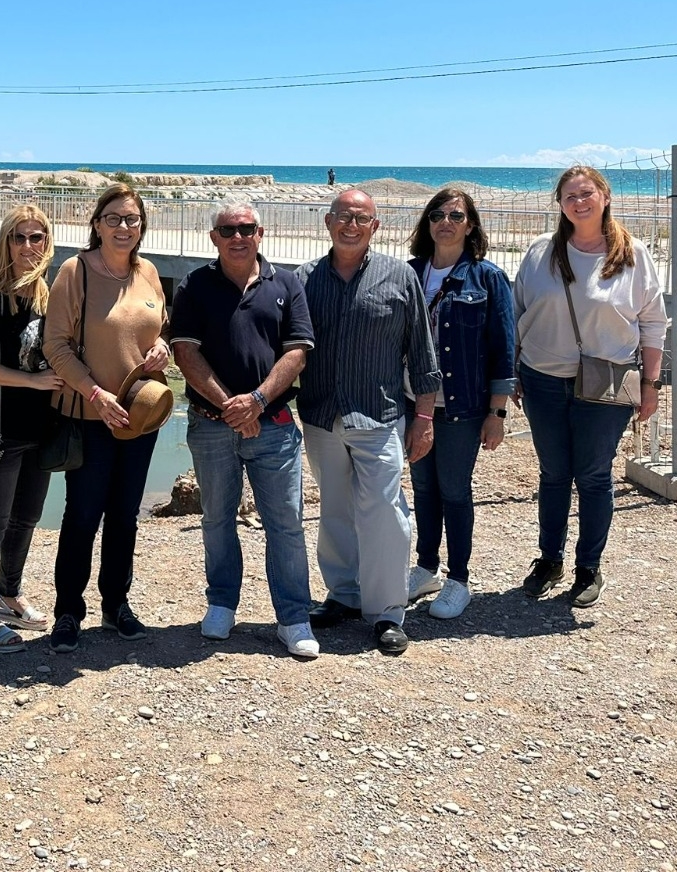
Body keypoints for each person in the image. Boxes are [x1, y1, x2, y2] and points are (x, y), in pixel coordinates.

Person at [170, 202, 318, 659]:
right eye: (228, 229)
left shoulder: (287, 282)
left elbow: (297, 350)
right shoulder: (195, 285)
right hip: (211, 426)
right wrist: (229, 405)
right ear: (213, 237)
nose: (238, 236)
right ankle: (221, 604)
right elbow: (185, 353)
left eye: (246, 228)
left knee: (287, 525)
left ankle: (293, 618)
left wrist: (255, 401)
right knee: (216, 519)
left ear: (261, 233)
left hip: (273, 426)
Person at [513, 166, 666, 607]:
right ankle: (549, 559)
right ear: (559, 203)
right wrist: (513, 372)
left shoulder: (632, 253)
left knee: (594, 475)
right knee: (554, 474)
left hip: (606, 384)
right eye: (569, 195)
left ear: (605, 195)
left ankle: (588, 567)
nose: (578, 202)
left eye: (586, 193)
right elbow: (518, 311)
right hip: (542, 379)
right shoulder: (541, 251)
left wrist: (651, 385)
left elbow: (653, 323)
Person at [297, 190, 440, 656]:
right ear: (327, 222)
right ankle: (344, 594)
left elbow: (422, 353)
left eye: (361, 218)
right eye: (343, 217)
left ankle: (387, 613)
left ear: (375, 226)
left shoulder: (399, 276)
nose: (351, 225)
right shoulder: (304, 279)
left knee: (383, 512)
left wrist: (423, 416)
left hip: (378, 416)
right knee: (335, 510)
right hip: (321, 416)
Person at [43, 184, 172, 653]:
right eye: (114, 218)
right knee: (82, 516)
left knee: (125, 516)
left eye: (132, 220)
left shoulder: (149, 272)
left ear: (142, 227)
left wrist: (161, 347)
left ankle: (116, 603)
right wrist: (95, 393)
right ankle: (67, 612)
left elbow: (160, 322)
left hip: (139, 414)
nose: (124, 227)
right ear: (96, 224)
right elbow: (54, 346)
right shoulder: (75, 273)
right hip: (91, 415)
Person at [404, 188, 517, 621]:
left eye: (455, 215)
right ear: (427, 223)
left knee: (454, 489)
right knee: (424, 488)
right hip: (415, 402)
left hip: (463, 407)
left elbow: (502, 348)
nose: (445, 222)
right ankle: (426, 566)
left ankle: (459, 578)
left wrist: (497, 412)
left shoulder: (486, 278)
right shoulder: (409, 273)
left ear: (470, 225)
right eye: (437, 215)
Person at [0, 205, 65, 652]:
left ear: (48, 243)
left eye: (37, 237)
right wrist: (30, 380)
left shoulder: (50, 297)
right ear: (6, 243)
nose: (28, 246)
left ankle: (9, 593)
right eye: (19, 237)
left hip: (39, 431)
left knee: (27, 519)